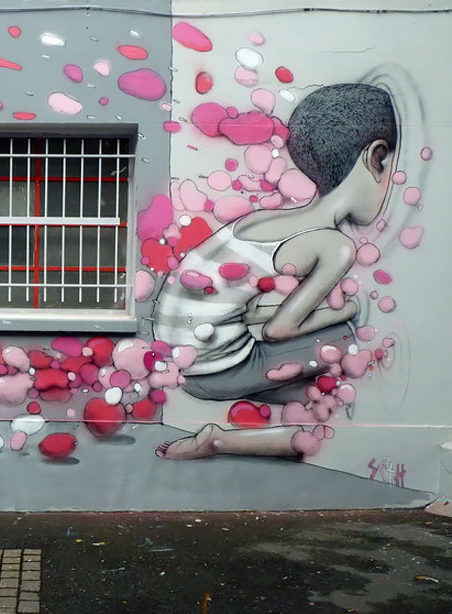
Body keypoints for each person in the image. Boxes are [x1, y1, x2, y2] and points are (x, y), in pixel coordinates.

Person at [154, 83, 398, 460]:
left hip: (186, 369)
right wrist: (350, 311)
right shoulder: (334, 245)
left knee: (318, 392)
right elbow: (277, 330)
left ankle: (277, 425)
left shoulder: (260, 220)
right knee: (346, 341)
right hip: (218, 371)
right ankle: (219, 439)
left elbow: (244, 308)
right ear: (376, 157)